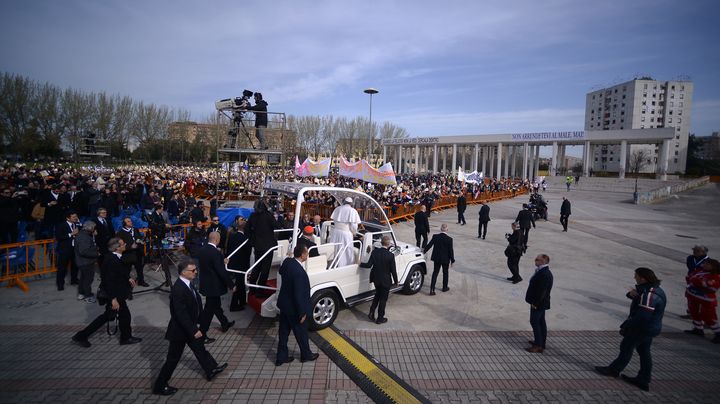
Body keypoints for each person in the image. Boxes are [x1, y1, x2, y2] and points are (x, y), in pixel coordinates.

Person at [152, 260, 228, 395]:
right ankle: (160, 385)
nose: (196, 272)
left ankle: (211, 369)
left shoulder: (187, 284)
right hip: (180, 331)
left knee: (199, 349)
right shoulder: (178, 289)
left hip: (189, 327)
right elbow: (181, 314)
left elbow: (194, 304)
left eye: (195, 269)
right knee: (173, 359)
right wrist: (194, 330)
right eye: (193, 271)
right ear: (183, 272)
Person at [595, 267, 667, 392]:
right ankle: (644, 379)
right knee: (644, 351)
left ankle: (614, 370)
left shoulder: (649, 295)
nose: (635, 278)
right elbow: (639, 299)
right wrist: (632, 294)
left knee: (626, 347)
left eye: (636, 276)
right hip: (650, 328)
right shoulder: (654, 290)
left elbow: (643, 316)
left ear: (643, 278)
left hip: (642, 328)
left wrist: (627, 325)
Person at [72, 237, 141, 347]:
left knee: (111, 316)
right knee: (121, 315)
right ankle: (125, 338)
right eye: (122, 244)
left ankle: (81, 336)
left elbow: (118, 273)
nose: (125, 245)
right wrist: (113, 299)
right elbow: (108, 281)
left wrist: (128, 278)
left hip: (117, 293)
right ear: (117, 248)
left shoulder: (115, 257)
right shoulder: (111, 260)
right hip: (114, 294)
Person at [275, 245, 319, 366]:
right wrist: (302, 313)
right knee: (301, 333)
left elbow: (281, 270)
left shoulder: (288, 263)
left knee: (283, 332)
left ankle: (281, 357)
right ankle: (306, 355)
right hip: (294, 309)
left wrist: (288, 257)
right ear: (303, 255)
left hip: (284, 306)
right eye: (307, 253)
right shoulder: (299, 272)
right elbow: (299, 295)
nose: (308, 255)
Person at [198, 232, 236, 343]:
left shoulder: (202, 250)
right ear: (217, 240)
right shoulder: (216, 253)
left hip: (206, 284)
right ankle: (202, 334)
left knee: (216, 306)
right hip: (214, 286)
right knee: (208, 311)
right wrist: (231, 285)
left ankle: (224, 323)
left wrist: (221, 261)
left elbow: (210, 265)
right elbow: (221, 271)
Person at [360, 235, 398, 324]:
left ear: (381, 243)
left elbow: (369, 265)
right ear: (388, 244)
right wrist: (396, 281)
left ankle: (371, 312)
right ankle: (380, 318)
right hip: (385, 281)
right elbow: (393, 270)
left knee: (377, 296)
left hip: (376, 279)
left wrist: (360, 264)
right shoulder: (391, 256)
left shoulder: (375, 252)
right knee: (383, 300)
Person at [683, 258, 720, 343]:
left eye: (707, 264)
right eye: (705, 263)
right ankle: (698, 329)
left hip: (706, 299)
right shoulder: (700, 271)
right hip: (693, 296)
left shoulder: (715, 276)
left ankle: (718, 333)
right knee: (694, 312)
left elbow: (710, 286)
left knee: (708, 316)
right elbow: (691, 278)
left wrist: (697, 281)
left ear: (713, 266)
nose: (705, 265)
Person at [247, 199, 277, 296]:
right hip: (268, 247)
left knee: (257, 267)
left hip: (257, 246)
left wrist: (253, 241)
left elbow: (247, 229)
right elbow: (276, 225)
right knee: (265, 270)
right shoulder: (268, 216)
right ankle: (260, 291)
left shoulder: (252, 216)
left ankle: (252, 288)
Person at [525, 254, 553, 353]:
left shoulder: (544, 274)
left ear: (543, 262)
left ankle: (538, 345)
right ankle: (541, 342)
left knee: (535, 322)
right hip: (540, 302)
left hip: (539, 303)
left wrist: (535, 303)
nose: (535, 260)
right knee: (541, 322)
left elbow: (542, 291)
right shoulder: (542, 271)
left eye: (537, 259)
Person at [329, 197, 362, 267]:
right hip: (345, 233)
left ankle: (334, 264)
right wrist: (354, 232)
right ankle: (345, 266)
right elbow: (354, 225)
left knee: (336, 248)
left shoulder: (338, 208)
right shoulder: (352, 210)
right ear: (351, 203)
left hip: (336, 232)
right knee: (346, 250)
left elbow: (334, 221)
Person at [226, 217, 250, 312]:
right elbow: (247, 252)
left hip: (235, 263)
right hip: (241, 264)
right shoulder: (244, 238)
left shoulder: (232, 236)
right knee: (239, 284)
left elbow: (228, 248)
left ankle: (242, 301)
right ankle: (234, 305)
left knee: (240, 283)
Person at [117, 217, 149, 288]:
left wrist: (142, 241)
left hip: (137, 253)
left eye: (130, 221)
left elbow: (139, 238)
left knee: (139, 269)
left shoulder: (135, 229)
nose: (131, 222)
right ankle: (127, 285)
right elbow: (119, 246)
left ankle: (141, 281)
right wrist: (130, 247)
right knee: (127, 271)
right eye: (128, 221)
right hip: (128, 255)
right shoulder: (120, 233)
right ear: (124, 224)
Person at [424, 223, 455, 295]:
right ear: (447, 230)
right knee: (445, 273)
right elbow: (451, 251)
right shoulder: (449, 239)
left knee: (435, 273)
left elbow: (429, 245)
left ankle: (432, 289)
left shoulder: (435, 236)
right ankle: (444, 287)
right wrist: (452, 260)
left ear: (441, 229)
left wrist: (424, 251)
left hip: (437, 258)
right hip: (445, 259)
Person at [74, 220, 100, 303]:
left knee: (83, 278)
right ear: (91, 228)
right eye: (94, 228)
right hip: (86, 262)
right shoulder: (84, 237)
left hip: (83, 262)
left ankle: (81, 293)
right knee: (88, 279)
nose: (95, 230)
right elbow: (84, 251)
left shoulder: (83, 235)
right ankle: (87, 296)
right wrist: (96, 253)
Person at [682, 245, 709, 319]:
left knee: (700, 298)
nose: (694, 252)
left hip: (701, 282)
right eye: (694, 250)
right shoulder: (690, 258)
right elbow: (690, 267)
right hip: (691, 280)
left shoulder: (708, 261)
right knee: (689, 296)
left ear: (703, 252)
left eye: (697, 251)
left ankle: (702, 315)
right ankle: (690, 313)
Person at [55, 210, 80, 290]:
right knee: (62, 268)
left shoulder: (76, 224)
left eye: (76, 216)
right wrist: (71, 234)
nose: (76, 218)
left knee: (75, 266)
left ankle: (74, 280)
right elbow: (59, 237)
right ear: (68, 218)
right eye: (73, 217)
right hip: (65, 250)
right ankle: (60, 284)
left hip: (75, 249)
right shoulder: (61, 225)